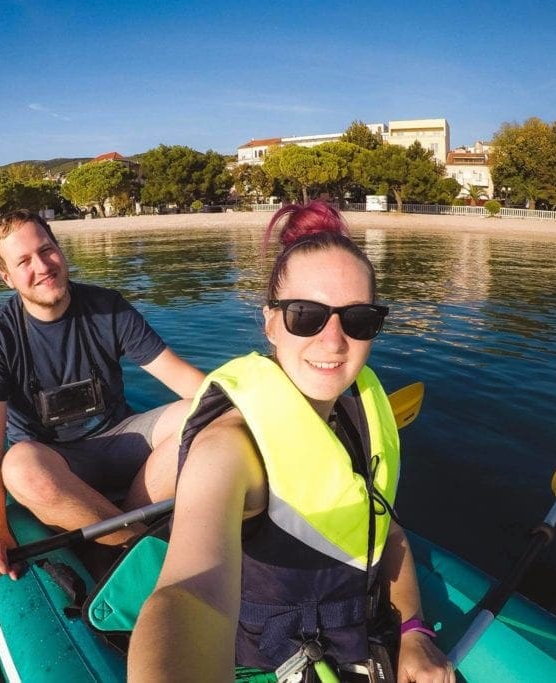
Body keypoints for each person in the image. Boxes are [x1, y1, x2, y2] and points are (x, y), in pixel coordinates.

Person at [128, 202, 453, 682]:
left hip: (367, 639)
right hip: (281, 661)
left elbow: (387, 530)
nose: (334, 340)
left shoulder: (354, 408)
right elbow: (188, 594)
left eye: (358, 319)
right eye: (306, 316)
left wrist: (413, 631)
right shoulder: (230, 447)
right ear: (271, 323)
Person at [0, 209, 204, 579]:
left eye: (46, 250)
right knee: (19, 467)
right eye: (24, 261)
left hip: (124, 445)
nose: (42, 266)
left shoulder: (108, 307)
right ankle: (145, 547)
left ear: (60, 249)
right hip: (56, 466)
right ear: (7, 277)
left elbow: (190, 384)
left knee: (206, 415)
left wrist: (255, 409)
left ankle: (120, 542)